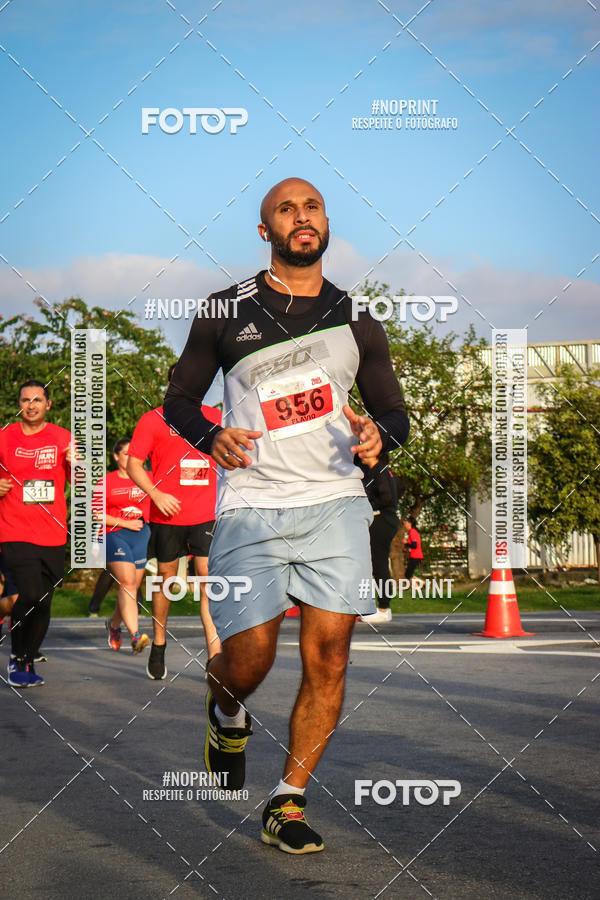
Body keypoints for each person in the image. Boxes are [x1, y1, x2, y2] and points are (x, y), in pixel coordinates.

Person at [164, 177, 409, 853]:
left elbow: (395, 411)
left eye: (313, 207)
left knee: (330, 656)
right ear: (266, 231)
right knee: (250, 658)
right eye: (286, 209)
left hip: (334, 503)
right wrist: (209, 435)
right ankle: (225, 711)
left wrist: (380, 437)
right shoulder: (224, 311)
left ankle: (287, 801)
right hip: (252, 504)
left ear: (325, 224)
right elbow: (177, 400)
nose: (302, 217)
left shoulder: (357, 318)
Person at [127, 365, 222, 680]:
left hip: (206, 513)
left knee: (208, 580)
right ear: (171, 384)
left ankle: (215, 656)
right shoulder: (152, 419)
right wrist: (155, 495)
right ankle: (158, 643)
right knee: (166, 580)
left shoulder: (216, 417)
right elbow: (133, 464)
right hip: (168, 514)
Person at [0, 380, 72, 687]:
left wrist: (76, 465)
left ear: (48, 405)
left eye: (37, 400)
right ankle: (17, 658)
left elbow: (81, 482)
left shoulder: (62, 437)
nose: (31, 405)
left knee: (43, 601)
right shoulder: (4, 436)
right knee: (28, 593)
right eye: (25, 400)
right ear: (19, 404)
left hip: (53, 532)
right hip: (14, 528)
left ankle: (28, 658)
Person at [94, 438, 151, 655]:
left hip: (141, 536)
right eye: (126, 453)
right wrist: (125, 523)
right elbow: (97, 514)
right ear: (116, 456)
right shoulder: (106, 481)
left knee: (130, 588)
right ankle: (136, 635)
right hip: (115, 534)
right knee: (127, 582)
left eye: (133, 453)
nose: (130, 457)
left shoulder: (148, 478)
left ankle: (114, 626)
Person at [360, 453, 402, 624]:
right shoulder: (382, 471)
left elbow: (387, 497)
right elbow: (400, 488)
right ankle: (377, 606)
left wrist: (367, 505)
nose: (360, 453)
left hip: (382, 519)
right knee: (375, 563)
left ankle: (384, 609)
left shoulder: (379, 471)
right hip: (384, 519)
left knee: (379, 563)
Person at [403, 516, 423, 582]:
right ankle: (421, 586)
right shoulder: (412, 532)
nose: (404, 525)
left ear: (410, 523)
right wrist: (406, 547)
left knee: (408, 575)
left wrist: (406, 543)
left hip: (415, 556)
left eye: (405, 523)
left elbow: (414, 546)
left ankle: (423, 584)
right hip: (415, 556)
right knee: (408, 574)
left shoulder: (412, 532)